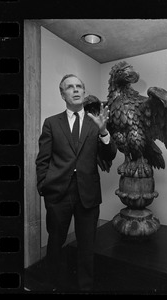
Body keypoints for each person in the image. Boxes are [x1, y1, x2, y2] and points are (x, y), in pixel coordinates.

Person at [35, 74, 117, 292]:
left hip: (88, 194)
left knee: (87, 246)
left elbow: (109, 156)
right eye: (70, 87)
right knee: (55, 242)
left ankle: (85, 287)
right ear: (63, 94)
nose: (76, 90)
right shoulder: (52, 123)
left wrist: (104, 132)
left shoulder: (95, 122)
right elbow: (43, 159)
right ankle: (52, 284)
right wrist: (44, 187)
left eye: (79, 86)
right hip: (58, 194)